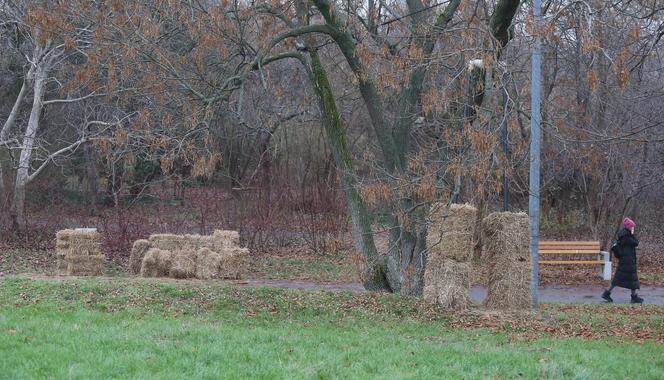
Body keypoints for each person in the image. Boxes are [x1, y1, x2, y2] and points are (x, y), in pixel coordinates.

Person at [602, 217, 643, 304]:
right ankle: (607, 293)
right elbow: (636, 242)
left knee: (629, 279)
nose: (633, 228)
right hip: (627, 260)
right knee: (628, 278)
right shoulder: (626, 236)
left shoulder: (624, 234)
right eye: (632, 227)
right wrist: (632, 234)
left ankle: (633, 296)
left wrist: (631, 234)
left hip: (627, 260)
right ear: (628, 227)